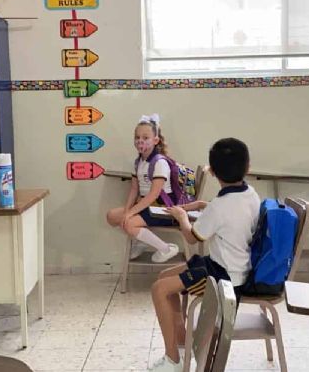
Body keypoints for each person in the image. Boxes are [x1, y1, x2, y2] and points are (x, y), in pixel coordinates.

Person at [149, 138, 260, 372]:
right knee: (164, 277)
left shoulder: (219, 206)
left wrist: (182, 217)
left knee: (159, 289)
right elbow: (232, 214)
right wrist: (202, 205)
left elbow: (192, 237)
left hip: (223, 280)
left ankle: (172, 361)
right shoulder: (250, 194)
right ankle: (181, 346)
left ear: (212, 172)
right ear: (248, 167)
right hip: (232, 267)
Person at [106, 114, 180, 263]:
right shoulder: (138, 162)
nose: (140, 141)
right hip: (147, 206)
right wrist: (128, 210)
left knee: (129, 223)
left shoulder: (159, 162)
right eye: (137, 137)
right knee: (112, 216)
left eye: (145, 137)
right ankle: (140, 240)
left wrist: (130, 214)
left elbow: (153, 195)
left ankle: (167, 249)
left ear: (155, 140)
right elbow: (134, 189)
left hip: (163, 208)